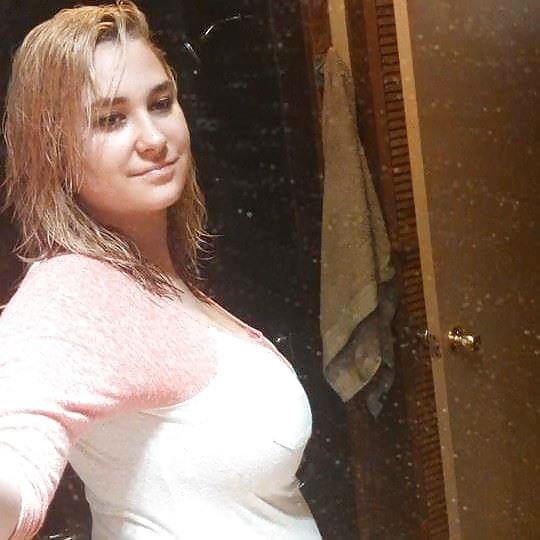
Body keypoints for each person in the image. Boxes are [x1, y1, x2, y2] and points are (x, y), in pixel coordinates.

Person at [0, 1, 322, 538]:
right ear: (54, 150)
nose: (154, 138)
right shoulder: (75, 289)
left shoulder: (157, 279)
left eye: (161, 102)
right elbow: (15, 455)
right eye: (111, 119)